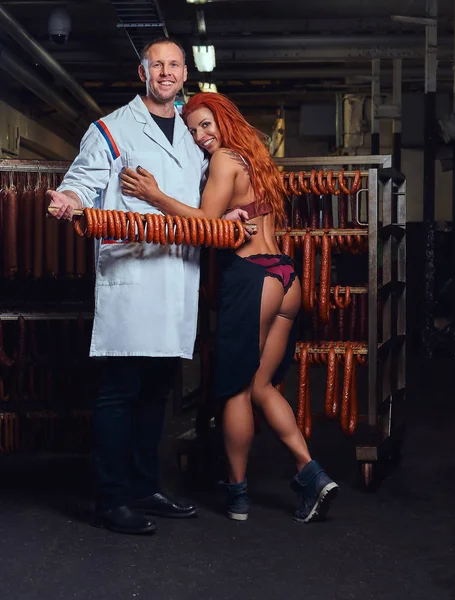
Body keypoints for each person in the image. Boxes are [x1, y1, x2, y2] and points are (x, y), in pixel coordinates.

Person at [119, 92, 339, 524]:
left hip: (252, 278)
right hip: (286, 278)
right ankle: (310, 474)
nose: (201, 136)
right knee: (262, 387)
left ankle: (237, 495)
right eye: (193, 129)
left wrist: (155, 194)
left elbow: (205, 226)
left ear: (223, 120)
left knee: (236, 389)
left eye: (206, 125)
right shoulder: (255, 158)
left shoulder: (224, 160)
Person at [46, 38, 220, 535]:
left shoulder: (194, 130)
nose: (165, 73)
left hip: (177, 276)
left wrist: (231, 210)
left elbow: (209, 189)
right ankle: (112, 499)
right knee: (119, 392)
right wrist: (71, 201)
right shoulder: (112, 128)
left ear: (185, 73)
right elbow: (82, 180)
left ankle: (146, 487)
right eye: (156, 65)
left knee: (157, 391)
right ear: (141, 71)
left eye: (173, 65)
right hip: (133, 274)